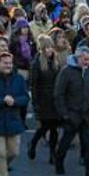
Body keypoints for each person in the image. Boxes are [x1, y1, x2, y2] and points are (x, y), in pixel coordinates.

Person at [53, 45, 89, 176]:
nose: (87, 62)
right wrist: (64, 114)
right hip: (71, 113)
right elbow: (59, 94)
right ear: (78, 57)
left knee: (88, 143)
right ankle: (58, 162)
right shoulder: (66, 72)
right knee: (66, 141)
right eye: (84, 59)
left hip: (86, 113)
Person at [28, 34, 62, 163]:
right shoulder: (37, 63)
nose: (49, 50)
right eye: (46, 48)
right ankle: (33, 142)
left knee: (54, 128)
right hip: (43, 100)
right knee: (45, 125)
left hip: (55, 100)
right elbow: (34, 85)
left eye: (51, 47)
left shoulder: (56, 61)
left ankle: (52, 154)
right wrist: (35, 103)